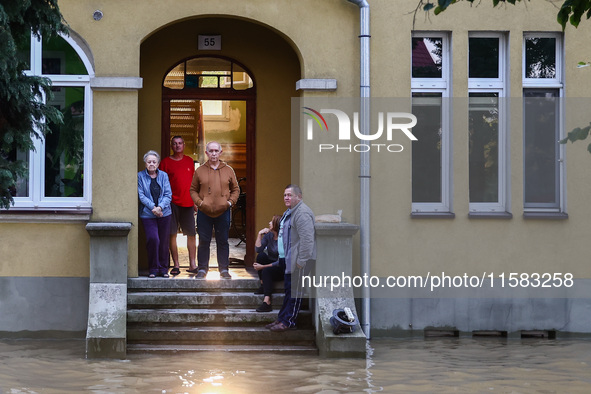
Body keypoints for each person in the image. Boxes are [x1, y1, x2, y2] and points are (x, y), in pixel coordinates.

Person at [265, 184, 316, 332]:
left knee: (295, 291)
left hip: (300, 261)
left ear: (299, 197)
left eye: (290, 195)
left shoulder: (302, 213)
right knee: (289, 290)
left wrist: (301, 261)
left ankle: (289, 321)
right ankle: (282, 318)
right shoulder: (290, 212)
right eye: (285, 195)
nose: (286, 198)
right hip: (290, 260)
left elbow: (307, 240)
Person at [190, 141, 240, 279]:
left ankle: (224, 270)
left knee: (223, 241)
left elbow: (236, 189)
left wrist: (230, 203)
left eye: (215, 151)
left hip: (223, 212)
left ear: (220, 152)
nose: (213, 153)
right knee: (203, 241)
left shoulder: (228, 170)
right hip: (204, 212)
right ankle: (202, 269)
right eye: (210, 151)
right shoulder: (199, 171)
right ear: (206, 153)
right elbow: (193, 190)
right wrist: (200, 203)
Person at [159, 136, 197, 275]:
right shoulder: (165, 163)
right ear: (171, 146)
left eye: (180, 143)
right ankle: (176, 265)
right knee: (172, 234)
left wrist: (195, 201)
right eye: (174, 144)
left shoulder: (189, 161)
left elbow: (193, 182)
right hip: (171, 203)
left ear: (184, 145)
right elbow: (160, 183)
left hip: (188, 203)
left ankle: (193, 264)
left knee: (191, 234)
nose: (177, 146)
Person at [138, 150, 173, 278]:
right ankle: (153, 268)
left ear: (158, 164)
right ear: (145, 164)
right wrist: (153, 207)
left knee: (164, 241)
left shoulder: (164, 176)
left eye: (154, 162)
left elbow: (168, 194)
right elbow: (141, 195)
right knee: (153, 239)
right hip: (148, 214)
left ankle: (163, 269)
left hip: (164, 213)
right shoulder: (140, 176)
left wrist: (160, 207)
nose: (151, 164)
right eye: (149, 162)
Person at [253, 215, 283, 312]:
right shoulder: (269, 235)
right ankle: (263, 285)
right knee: (261, 256)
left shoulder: (283, 238)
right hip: (271, 263)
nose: (269, 223)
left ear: (276, 224)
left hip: (281, 267)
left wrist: (262, 267)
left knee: (266, 270)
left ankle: (267, 302)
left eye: (271, 221)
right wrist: (259, 234)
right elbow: (258, 249)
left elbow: (282, 261)